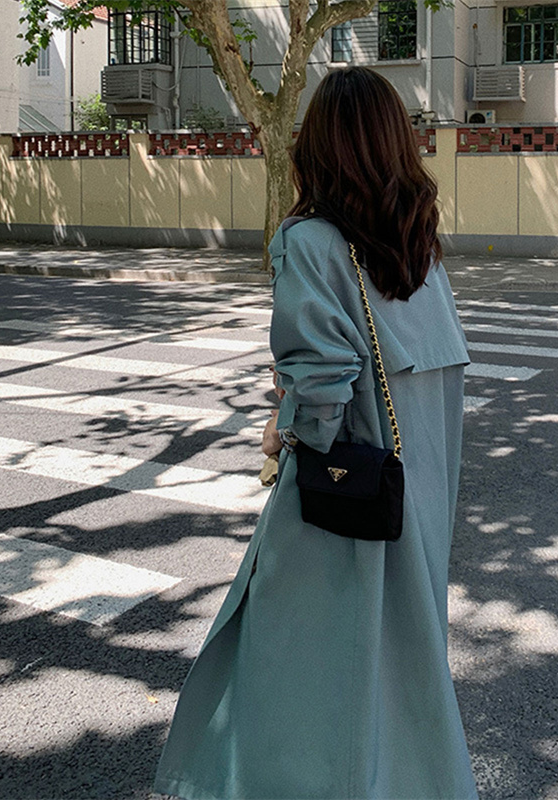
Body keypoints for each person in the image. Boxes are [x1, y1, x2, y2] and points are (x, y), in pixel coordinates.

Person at [154, 66, 478, 800]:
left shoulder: (307, 240)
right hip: (420, 493)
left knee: (289, 656)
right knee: (400, 659)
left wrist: (283, 431)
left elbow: (323, 386)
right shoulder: (421, 249)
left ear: (317, 148)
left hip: (343, 495)